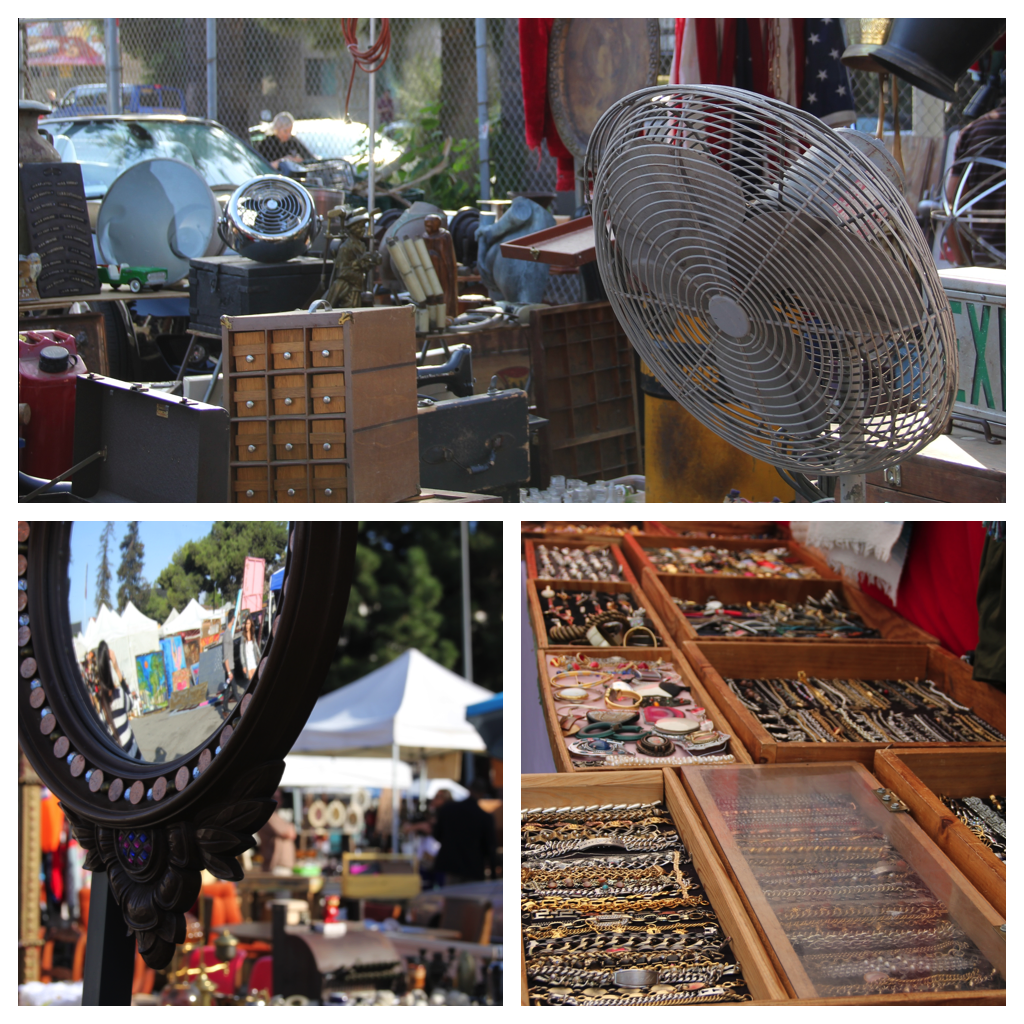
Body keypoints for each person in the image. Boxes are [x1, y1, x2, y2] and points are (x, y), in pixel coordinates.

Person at [432, 780, 497, 886]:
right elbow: (490, 848)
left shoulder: (448, 809)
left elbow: (437, 835)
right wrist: (493, 876)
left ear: (469, 790)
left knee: (451, 895)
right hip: (473, 867)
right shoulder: (484, 817)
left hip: (451, 865)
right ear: (483, 793)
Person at [94, 639, 141, 759]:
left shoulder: (101, 709)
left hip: (120, 762)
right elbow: (132, 702)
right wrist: (117, 668)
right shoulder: (119, 695)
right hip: (136, 760)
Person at [258, 790, 297, 873]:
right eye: (275, 797)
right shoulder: (268, 815)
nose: (279, 800)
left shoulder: (274, 814)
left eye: (279, 798)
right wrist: (291, 827)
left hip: (280, 865)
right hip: (277, 865)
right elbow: (289, 833)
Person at [219, 607, 247, 718]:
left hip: (230, 667)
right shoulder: (226, 635)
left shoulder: (228, 633)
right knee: (235, 690)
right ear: (233, 619)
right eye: (235, 618)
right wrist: (229, 671)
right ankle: (242, 709)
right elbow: (225, 655)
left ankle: (225, 709)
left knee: (227, 690)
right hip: (229, 668)